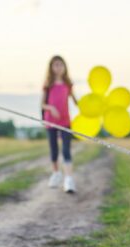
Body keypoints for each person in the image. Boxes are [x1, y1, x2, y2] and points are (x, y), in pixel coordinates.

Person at [41, 55, 78, 193]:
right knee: (54, 149)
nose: (58, 67)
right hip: (51, 121)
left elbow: (75, 101)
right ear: (51, 67)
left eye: (61, 65)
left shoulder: (68, 84)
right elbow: (43, 104)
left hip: (65, 121)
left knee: (66, 150)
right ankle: (56, 173)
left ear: (65, 67)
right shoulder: (48, 84)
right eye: (56, 65)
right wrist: (51, 108)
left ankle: (68, 179)